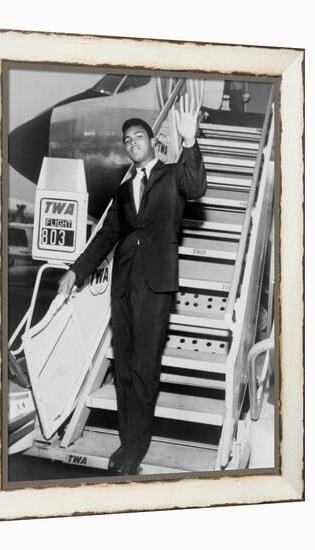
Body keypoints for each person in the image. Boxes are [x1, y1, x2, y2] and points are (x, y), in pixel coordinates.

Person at [58, 93, 207, 475]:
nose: (131, 144)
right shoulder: (123, 191)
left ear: (153, 142)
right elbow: (107, 235)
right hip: (123, 285)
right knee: (123, 368)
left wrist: (190, 141)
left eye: (138, 137)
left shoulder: (173, 175)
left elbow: (196, 188)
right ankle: (126, 442)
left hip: (155, 285)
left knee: (144, 367)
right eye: (126, 140)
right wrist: (76, 270)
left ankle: (137, 447)